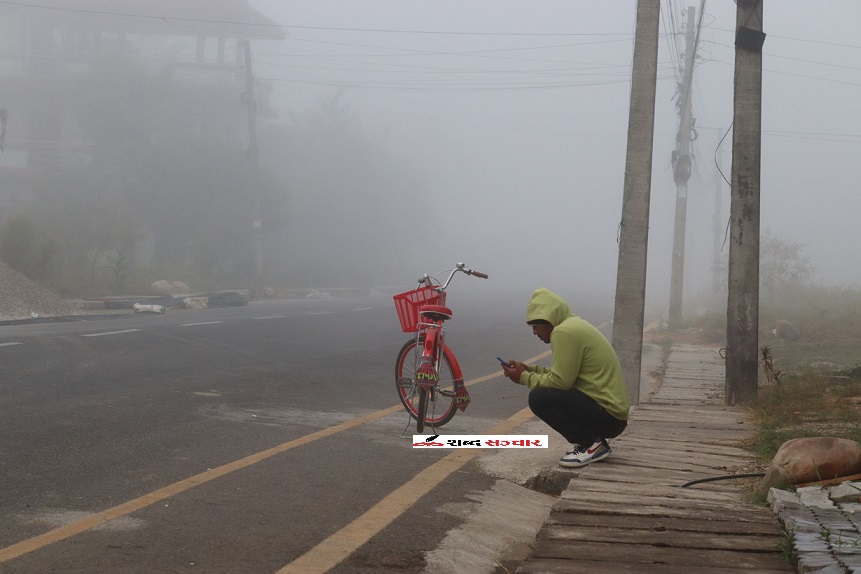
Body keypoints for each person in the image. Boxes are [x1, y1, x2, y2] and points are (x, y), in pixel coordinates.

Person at [501, 288, 630, 468]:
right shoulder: (572, 326)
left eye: (535, 326)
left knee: (539, 398)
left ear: (548, 321)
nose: (535, 332)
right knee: (546, 392)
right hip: (612, 415)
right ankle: (591, 443)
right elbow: (563, 374)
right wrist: (528, 369)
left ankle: (591, 444)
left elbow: (560, 382)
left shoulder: (563, 332)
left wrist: (523, 377)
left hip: (608, 417)